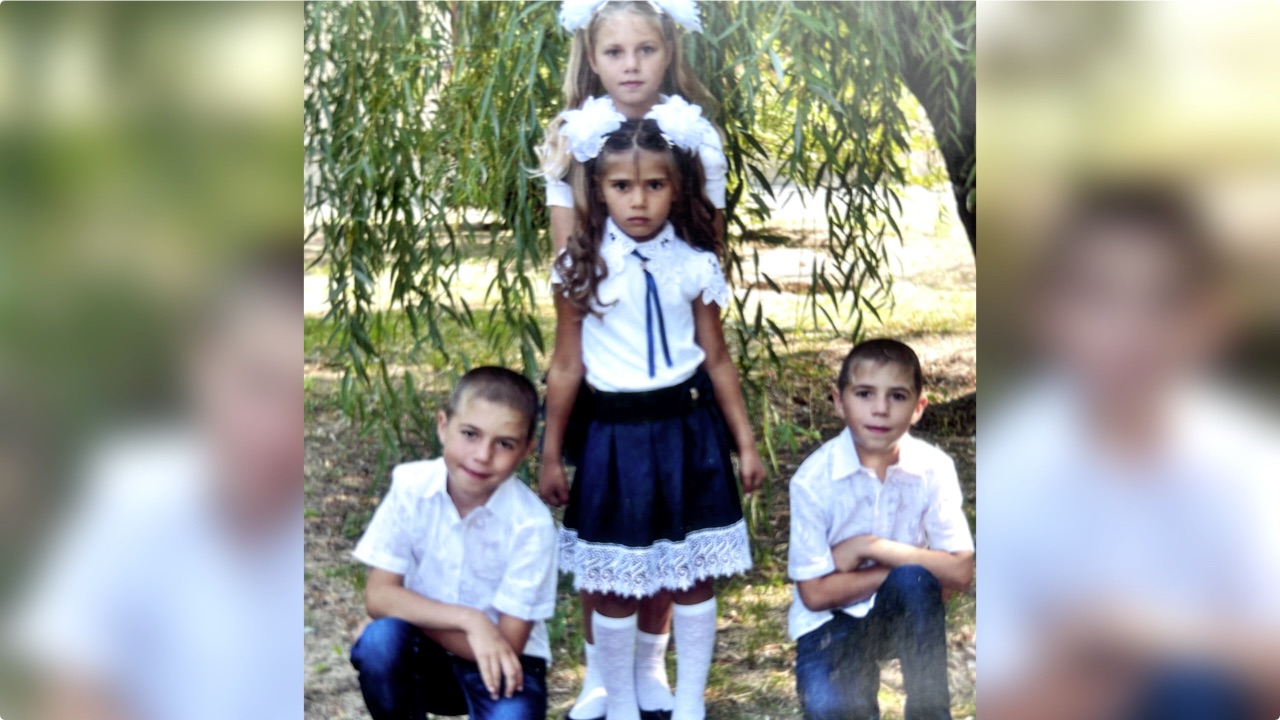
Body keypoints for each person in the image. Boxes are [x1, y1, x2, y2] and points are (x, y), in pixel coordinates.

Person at [979, 186, 1280, 720]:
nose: (1131, 330)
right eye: (1099, 296)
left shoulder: (1249, 461)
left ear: (1213, 317)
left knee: (1196, 689)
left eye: (1165, 300)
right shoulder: (1014, 467)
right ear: (1050, 312)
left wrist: (1134, 634)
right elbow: (1008, 699)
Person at [7, 243, 304, 720]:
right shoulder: (135, 497)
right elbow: (73, 689)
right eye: (258, 383)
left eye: (298, 399)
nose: (278, 429)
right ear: (202, 364)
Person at [539, 105, 765, 720]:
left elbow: (717, 359)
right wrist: (551, 454)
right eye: (621, 186)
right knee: (616, 582)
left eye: (655, 184)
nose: (638, 200)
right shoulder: (579, 268)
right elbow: (566, 366)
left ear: (677, 187)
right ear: (598, 190)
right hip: (615, 439)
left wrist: (744, 442)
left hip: (688, 434)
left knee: (691, 574)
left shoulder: (695, 263)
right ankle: (618, 704)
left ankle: (689, 704)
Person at [349, 367, 557, 720]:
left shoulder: (531, 524)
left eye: (504, 443)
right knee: (380, 643)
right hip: (426, 656)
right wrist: (471, 621)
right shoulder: (410, 487)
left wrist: (402, 609)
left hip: (502, 665)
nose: (483, 455)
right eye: (470, 434)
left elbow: (506, 645)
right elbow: (379, 595)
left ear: (526, 450)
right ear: (443, 426)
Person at [787, 339, 975, 720]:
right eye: (864, 394)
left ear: (918, 407)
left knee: (914, 581)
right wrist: (913, 567)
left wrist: (868, 546)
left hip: (898, 614)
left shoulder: (933, 467)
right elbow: (815, 593)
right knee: (830, 710)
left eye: (897, 396)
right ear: (839, 401)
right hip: (829, 623)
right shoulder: (812, 480)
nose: (880, 408)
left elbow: (960, 571)